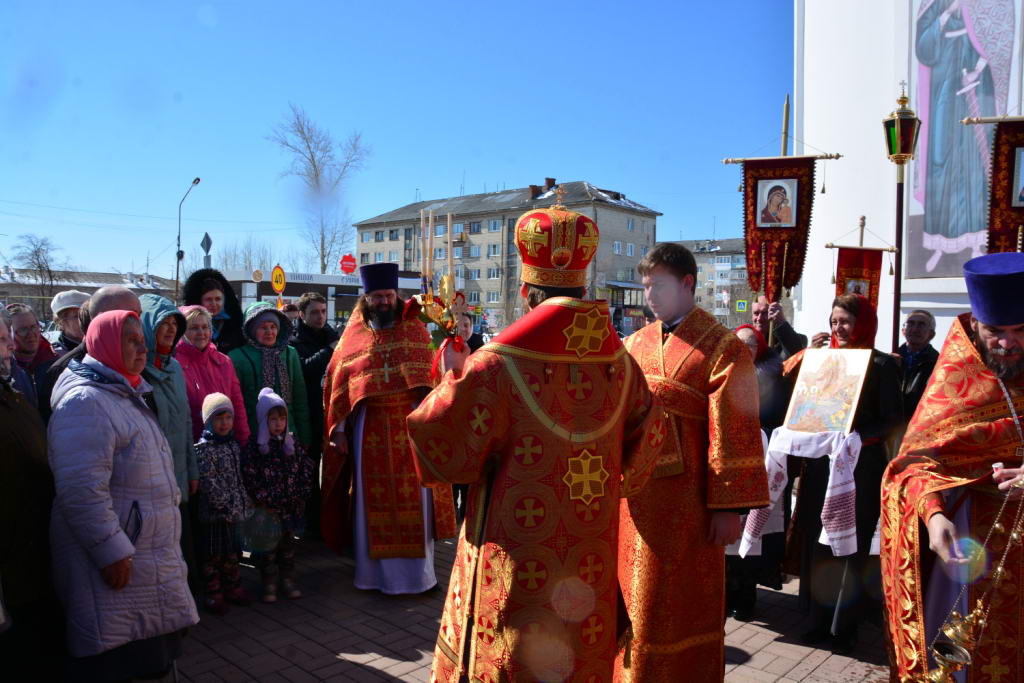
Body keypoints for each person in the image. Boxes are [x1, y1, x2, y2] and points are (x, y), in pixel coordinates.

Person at [407, 205, 665, 682]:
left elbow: (439, 442)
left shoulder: (493, 366)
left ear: (526, 292)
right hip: (587, 554)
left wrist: (448, 381)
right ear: (584, 287)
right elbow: (650, 442)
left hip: (515, 547)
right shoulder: (623, 366)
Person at [615, 242, 768, 681]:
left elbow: (735, 430)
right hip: (635, 501)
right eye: (646, 286)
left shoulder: (723, 347)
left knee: (678, 601)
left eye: (658, 286)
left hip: (690, 506)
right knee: (630, 597)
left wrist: (728, 507)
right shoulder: (633, 343)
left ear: (687, 283)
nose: (649, 296)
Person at [882, 252, 1024, 681]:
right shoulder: (955, 377)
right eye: (995, 331)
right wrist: (934, 515)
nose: (1008, 344)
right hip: (970, 548)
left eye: (1021, 330)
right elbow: (911, 465)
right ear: (975, 324)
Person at [48, 310, 198, 680]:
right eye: (131, 341)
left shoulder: (123, 390)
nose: (142, 348)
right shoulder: (85, 402)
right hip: (122, 561)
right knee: (124, 659)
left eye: (141, 339)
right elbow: (80, 490)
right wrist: (111, 550)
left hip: (143, 556)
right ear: (105, 346)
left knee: (151, 655)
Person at [322, 263, 456, 595]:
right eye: (377, 296)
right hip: (369, 430)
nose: (384, 301)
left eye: (389, 295)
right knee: (371, 502)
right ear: (366, 298)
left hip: (410, 428)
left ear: (396, 295)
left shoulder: (415, 329)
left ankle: (419, 578)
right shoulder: (353, 336)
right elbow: (339, 384)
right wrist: (339, 431)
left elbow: (434, 377)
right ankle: (374, 577)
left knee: (417, 502)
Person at [792, 293, 902, 655]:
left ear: (863, 324)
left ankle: (845, 626)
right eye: (834, 321)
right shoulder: (823, 361)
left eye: (846, 321)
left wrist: (857, 436)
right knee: (819, 541)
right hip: (823, 466)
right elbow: (805, 405)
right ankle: (816, 620)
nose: (839, 328)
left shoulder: (883, 365)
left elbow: (892, 419)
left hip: (860, 468)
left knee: (850, 545)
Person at [0, 316, 64, 679]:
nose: (10, 345)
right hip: (12, 565)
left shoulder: (13, 394)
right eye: (1, 339)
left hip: (33, 552)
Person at [726, 323, 792, 621]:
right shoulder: (721, 372)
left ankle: (746, 596)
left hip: (760, 462)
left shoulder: (773, 379)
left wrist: (759, 433)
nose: (744, 349)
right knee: (727, 535)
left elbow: (782, 418)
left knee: (751, 534)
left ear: (760, 349)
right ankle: (726, 593)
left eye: (750, 344)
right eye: (738, 343)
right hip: (728, 465)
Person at [139, 294, 200, 589]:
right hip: (151, 481)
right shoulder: (137, 370)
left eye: (175, 324)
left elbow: (185, 421)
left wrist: (191, 469)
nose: (170, 329)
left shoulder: (174, 367)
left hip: (178, 472)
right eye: (163, 323)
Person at [241, 388, 313, 603]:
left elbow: (305, 468)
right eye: (273, 419)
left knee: (288, 547)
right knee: (268, 550)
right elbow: (249, 476)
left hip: (290, 508)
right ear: (264, 420)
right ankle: (269, 583)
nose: (278, 423)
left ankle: (288, 580)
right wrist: (263, 499)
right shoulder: (256, 447)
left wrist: (301, 493)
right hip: (267, 511)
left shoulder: (291, 444)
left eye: (282, 418)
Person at [194, 392, 253, 615]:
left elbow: (238, 479)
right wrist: (225, 503)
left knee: (232, 553)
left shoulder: (233, 446)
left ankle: (233, 588)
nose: (224, 423)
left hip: (232, 513)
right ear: (208, 421)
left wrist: (243, 502)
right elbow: (209, 482)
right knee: (213, 556)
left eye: (228, 417)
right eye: (218, 418)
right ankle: (213, 593)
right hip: (215, 515)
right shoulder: (203, 449)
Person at [289, 292, 340, 539]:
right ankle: (312, 524)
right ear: (302, 314)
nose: (320, 317)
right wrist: (328, 351)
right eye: (314, 312)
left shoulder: (333, 335)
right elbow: (303, 369)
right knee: (310, 470)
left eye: (323, 311)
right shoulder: (294, 341)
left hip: (333, 413)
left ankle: (333, 519)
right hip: (309, 413)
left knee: (335, 470)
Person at [229, 301, 311, 447]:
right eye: (263, 327)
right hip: (253, 436)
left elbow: (299, 398)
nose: (269, 332)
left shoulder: (290, 354)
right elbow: (236, 402)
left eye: (273, 327)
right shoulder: (237, 357)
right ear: (251, 330)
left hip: (288, 435)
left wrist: (304, 438)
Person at [176, 304, 250, 445]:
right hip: (192, 445)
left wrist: (243, 440)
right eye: (194, 328)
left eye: (205, 327)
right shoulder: (175, 365)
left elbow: (237, 405)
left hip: (225, 444)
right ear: (182, 332)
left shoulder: (224, 361)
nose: (201, 332)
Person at [47, 285, 142, 382]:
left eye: (84, 314)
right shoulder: (58, 363)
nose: (81, 319)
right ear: (61, 322)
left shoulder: (129, 353)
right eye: (76, 316)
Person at [6, 303, 58, 419]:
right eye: (23, 330)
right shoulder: (6, 371)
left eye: (34, 327)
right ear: (9, 334)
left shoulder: (55, 362)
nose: (31, 334)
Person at [182, 268, 245, 354]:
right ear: (199, 301)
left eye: (218, 299)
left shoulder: (235, 325)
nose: (214, 304)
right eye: (208, 299)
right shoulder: (187, 326)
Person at [897, 309, 939, 421]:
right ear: (903, 330)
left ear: (931, 334)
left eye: (921, 325)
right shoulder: (890, 359)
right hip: (892, 424)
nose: (915, 329)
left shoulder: (938, 363)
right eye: (911, 323)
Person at [751, 295, 807, 360]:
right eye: (756, 313)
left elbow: (797, 354)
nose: (759, 318)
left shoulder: (795, 340)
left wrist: (781, 321)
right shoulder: (746, 340)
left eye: (764, 313)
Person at [47, 289, 90, 355]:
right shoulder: (54, 354)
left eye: (87, 315)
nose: (85, 319)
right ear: (61, 322)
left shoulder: (98, 346)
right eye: (77, 316)